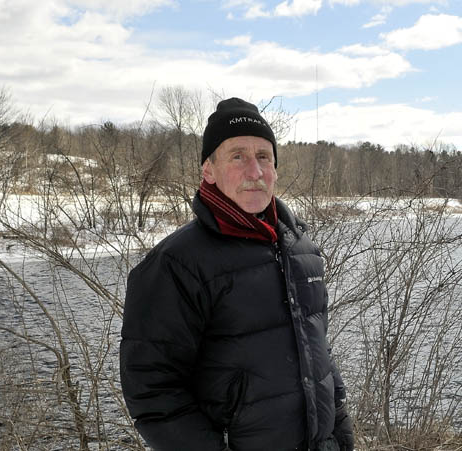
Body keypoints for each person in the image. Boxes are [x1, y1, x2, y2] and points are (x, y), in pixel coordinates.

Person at [120, 97, 354, 451]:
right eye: (237, 156)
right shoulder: (177, 263)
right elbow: (152, 392)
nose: (255, 172)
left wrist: (341, 434)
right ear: (209, 170)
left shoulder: (302, 249)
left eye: (263, 157)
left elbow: (318, 352)